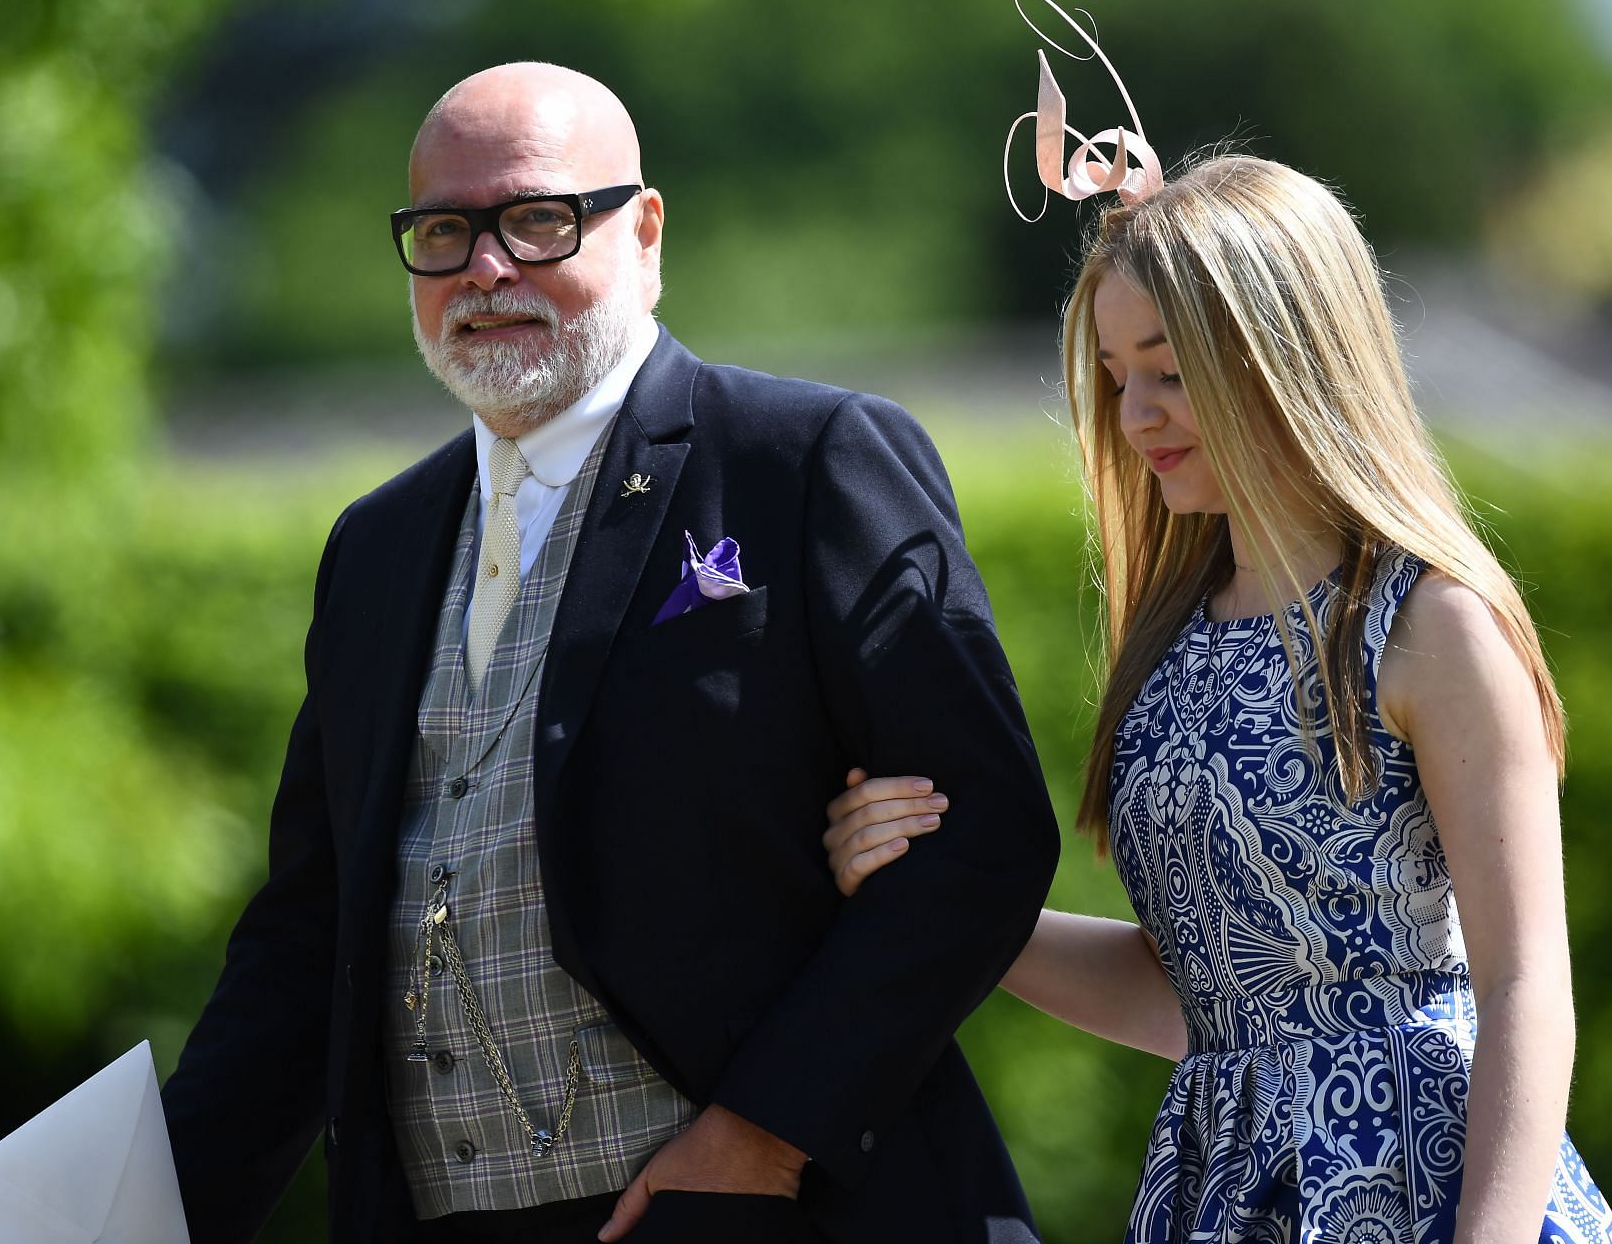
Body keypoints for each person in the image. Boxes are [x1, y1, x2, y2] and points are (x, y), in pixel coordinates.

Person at [159, 61, 1059, 1244]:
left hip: (771, 1208)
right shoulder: (374, 547)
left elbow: (982, 836)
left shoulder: (807, 458)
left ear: (642, 230)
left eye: (536, 219)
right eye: (444, 231)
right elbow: (306, 940)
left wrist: (762, 1132)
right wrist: (137, 1209)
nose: (487, 268)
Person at [823, 0, 1612, 1243]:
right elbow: (1190, 994)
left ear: (1288, 348)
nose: (1136, 413)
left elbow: (1527, 987)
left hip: (1436, 1199)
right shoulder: (1172, 641)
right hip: (1221, 1191)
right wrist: (933, 893)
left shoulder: (1432, 622)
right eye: (1116, 375)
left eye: (1171, 366)